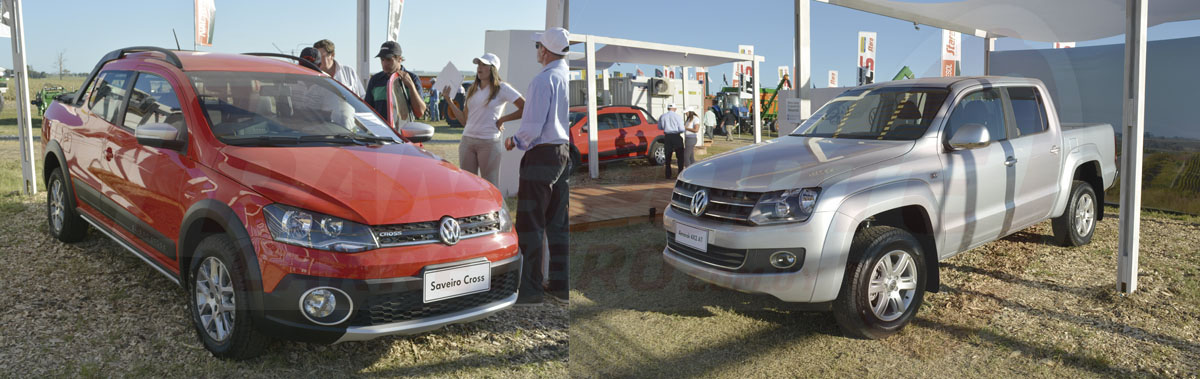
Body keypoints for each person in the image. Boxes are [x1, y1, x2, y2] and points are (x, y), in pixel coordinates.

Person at [504, 27, 571, 304]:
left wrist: (513, 140)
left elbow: (532, 127)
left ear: (545, 50)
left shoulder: (543, 80)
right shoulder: (567, 76)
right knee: (558, 223)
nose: (537, 51)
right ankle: (560, 283)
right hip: (563, 152)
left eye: (538, 47)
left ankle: (530, 289)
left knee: (531, 223)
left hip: (542, 154)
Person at [444, 52, 525, 188]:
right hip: (467, 142)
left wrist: (502, 119)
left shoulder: (502, 88)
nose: (479, 68)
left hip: (489, 142)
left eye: (484, 64)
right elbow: (465, 121)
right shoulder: (472, 90)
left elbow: (525, 107)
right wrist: (449, 101)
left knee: (490, 186)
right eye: (478, 64)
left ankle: (493, 210)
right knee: (467, 185)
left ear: (492, 68)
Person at [363, 41, 427, 129]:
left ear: (399, 59)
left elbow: (420, 112)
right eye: (382, 59)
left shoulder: (412, 78)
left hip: (403, 137)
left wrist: (411, 86)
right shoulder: (375, 80)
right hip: (381, 136)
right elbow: (367, 112)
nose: (385, 63)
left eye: (389, 59)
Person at [658, 103, 686, 179]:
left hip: (667, 136)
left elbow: (660, 127)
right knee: (680, 156)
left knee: (668, 155)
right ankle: (680, 173)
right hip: (676, 136)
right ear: (675, 109)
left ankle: (668, 174)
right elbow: (682, 129)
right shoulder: (677, 116)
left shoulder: (662, 116)